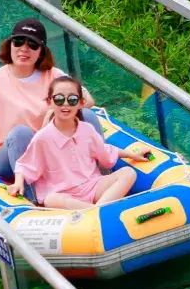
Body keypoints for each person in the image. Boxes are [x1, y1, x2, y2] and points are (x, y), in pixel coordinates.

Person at [0, 18, 103, 203]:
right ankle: (34, 201)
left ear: (41, 51)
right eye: (18, 42)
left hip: (50, 153)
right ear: (10, 45)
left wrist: (52, 113)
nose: (24, 49)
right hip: (11, 156)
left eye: (32, 44)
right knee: (21, 133)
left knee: (88, 116)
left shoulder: (54, 76)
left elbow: (87, 100)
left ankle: (102, 179)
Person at [9, 76, 150, 209]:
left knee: (128, 173)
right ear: (49, 102)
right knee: (51, 199)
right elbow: (25, 165)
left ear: (81, 103)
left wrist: (132, 154)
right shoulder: (42, 138)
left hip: (92, 187)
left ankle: (95, 210)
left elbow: (105, 152)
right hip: (63, 194)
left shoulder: (87, 130)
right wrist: (17, 183)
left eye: (72, 99)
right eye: (59, 99)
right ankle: (96, 211)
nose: (65, 104)